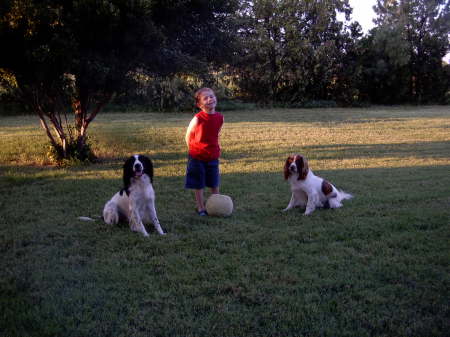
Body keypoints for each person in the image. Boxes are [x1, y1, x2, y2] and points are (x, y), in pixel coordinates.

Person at [185, 88, 224, 216]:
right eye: (205, 98)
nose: (210, 99)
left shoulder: (220, 117)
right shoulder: (197, 119)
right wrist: (193, 150)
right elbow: (188, 136)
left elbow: (216, 134)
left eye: (211, 96)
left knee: (214, 181)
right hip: (197, 157)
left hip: (213, 155)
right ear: (199, 104)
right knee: (199, 182)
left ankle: (216, 205)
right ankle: (201, 207)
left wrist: (217, 147)